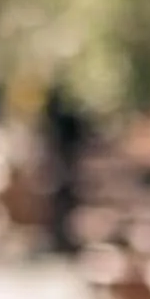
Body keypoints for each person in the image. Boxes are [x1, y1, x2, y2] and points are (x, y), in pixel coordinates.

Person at [42, 86, 95, 254]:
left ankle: (66, 241)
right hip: (65, 171)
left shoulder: (65, 121)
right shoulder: (58, 121)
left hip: (69, 171)